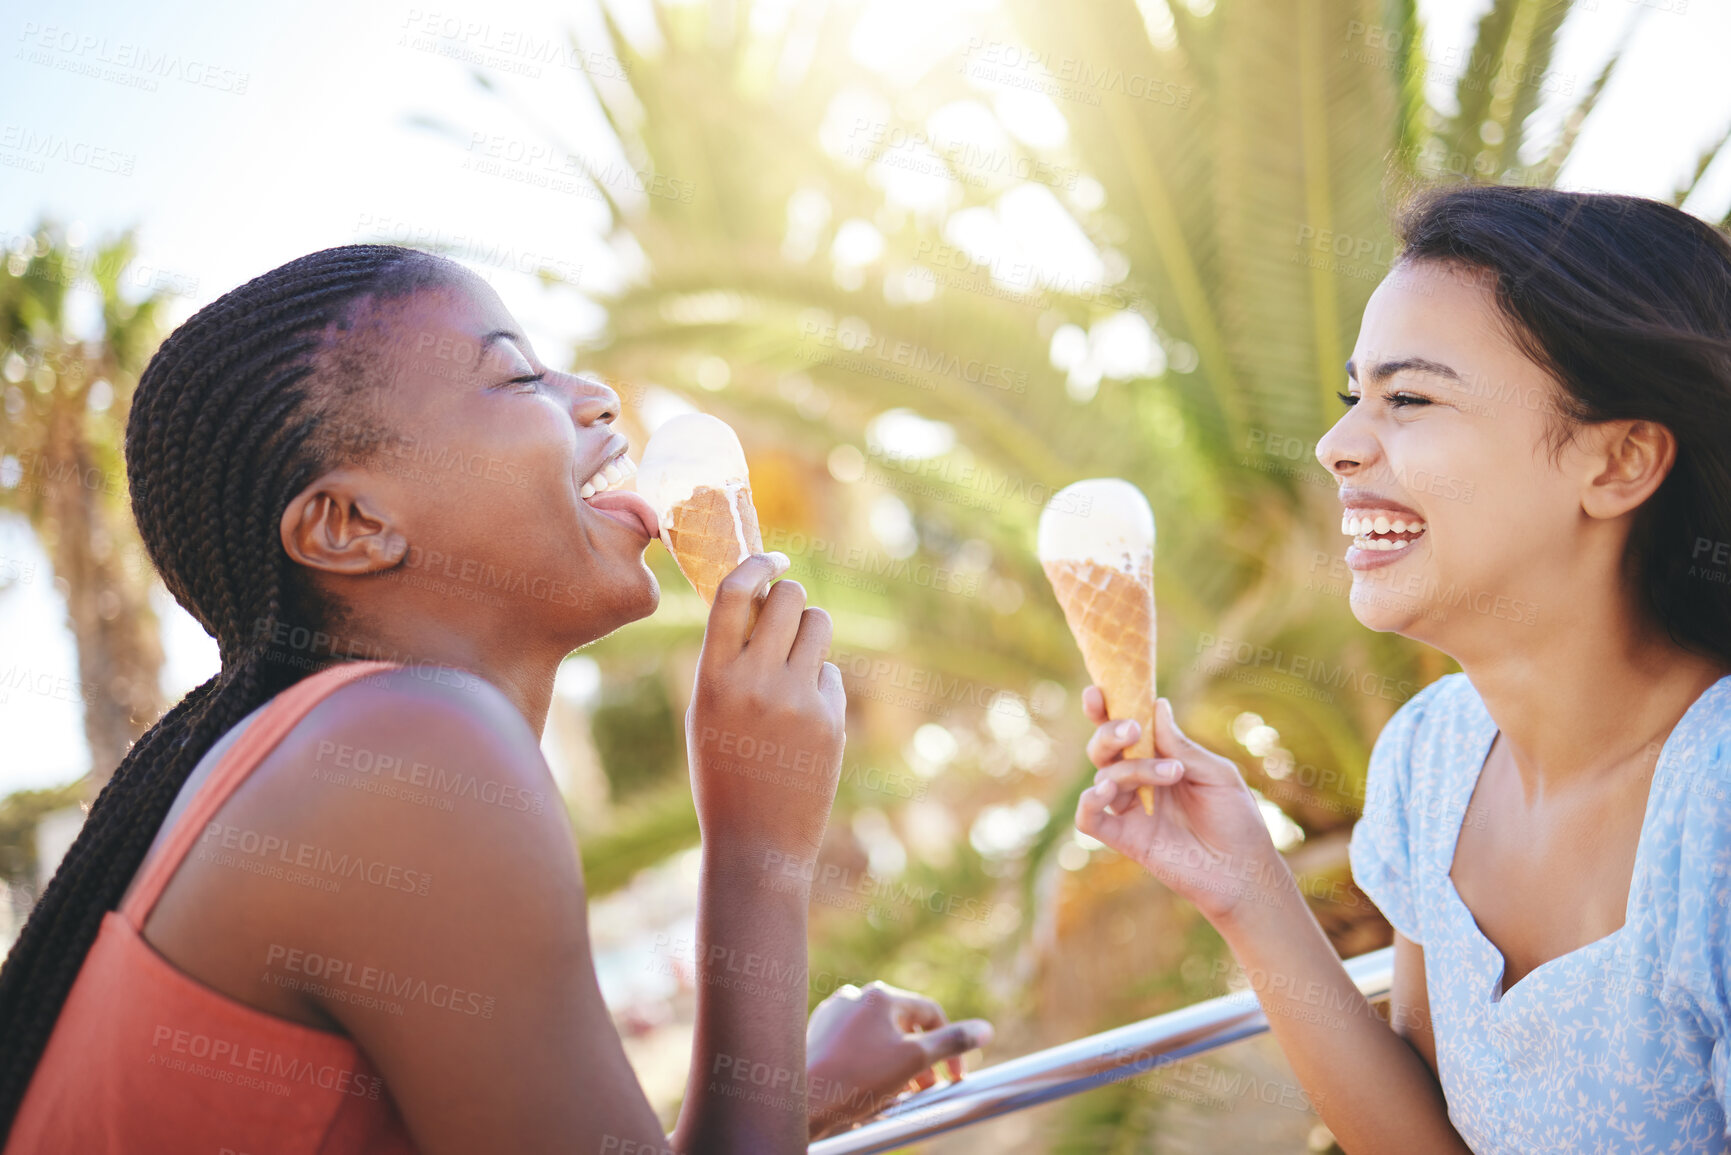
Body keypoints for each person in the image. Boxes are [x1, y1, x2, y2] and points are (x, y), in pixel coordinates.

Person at [0, 245, 990, 1154]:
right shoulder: (407, 755)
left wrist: (793, 1098)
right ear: (350, 525)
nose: (598, 396)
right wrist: (758, 851)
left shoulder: (359, 748)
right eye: (518, 377)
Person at [1077, 186, 1731, 1153]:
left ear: (1620, 460)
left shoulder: (1713, 808)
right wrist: (1246, 888)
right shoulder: (1433, 755)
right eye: (1355, 397)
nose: (1336, 447)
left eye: (1410, 398)